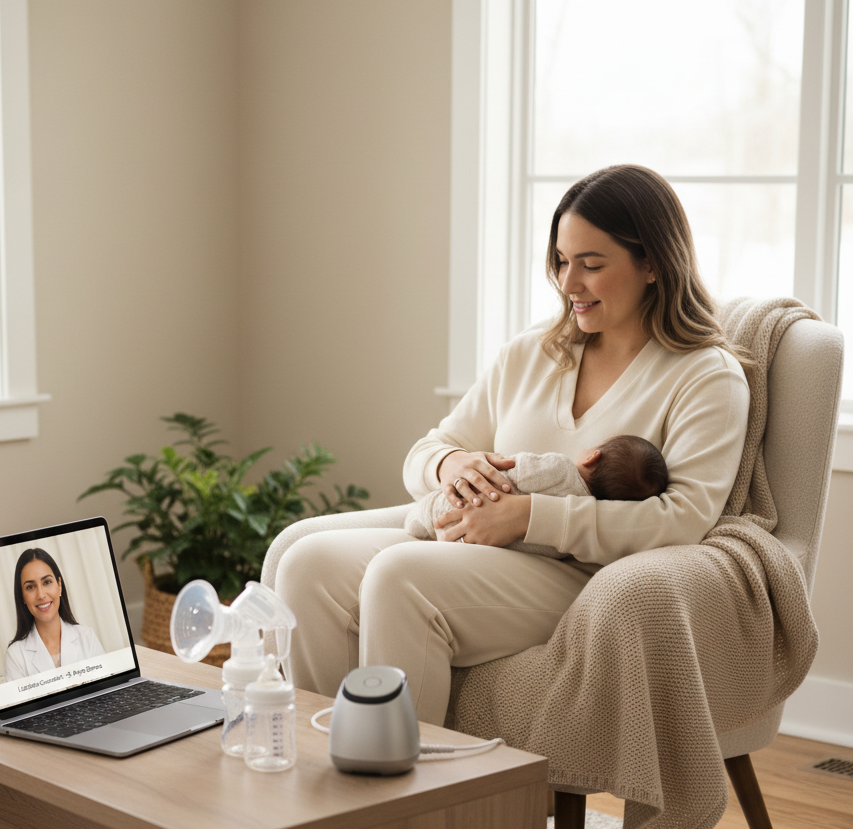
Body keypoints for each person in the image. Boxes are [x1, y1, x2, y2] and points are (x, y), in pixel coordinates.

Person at [275, 164, 751, 726]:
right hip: (476, 548)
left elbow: (683, 520)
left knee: (399, 577)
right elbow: (429, 450)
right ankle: (329, 779)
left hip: (584, 577)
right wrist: (454, 464)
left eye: (591, 265)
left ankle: (413, 804)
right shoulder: (533, 354)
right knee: (306, 565)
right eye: (561, 261)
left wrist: (529, 517)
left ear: (651, 263)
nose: (568, 283)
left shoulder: (706, 377)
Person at [405, 434, 669, 558]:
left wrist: (494, 464)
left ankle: (420, 519)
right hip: (479, 548)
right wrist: (450, 460)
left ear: (592, 455)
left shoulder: (560, 468)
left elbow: (517, 466)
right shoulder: (578, 522)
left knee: (433, 509)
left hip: (464, 503)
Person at [5, 547, 105, 682]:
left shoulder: (87, 637)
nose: (41, 595)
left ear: (59, 586)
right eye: (30, 587)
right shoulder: (16, 655)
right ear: (23, 596)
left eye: (47, 582)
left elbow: (107, 692)